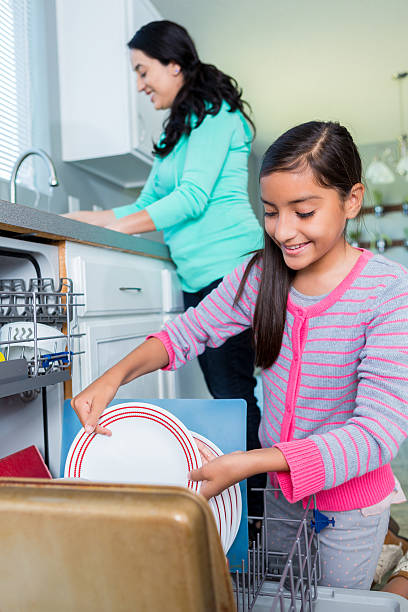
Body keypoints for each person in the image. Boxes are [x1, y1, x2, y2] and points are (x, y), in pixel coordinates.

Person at [71, 120, 408, 590]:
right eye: (270, 212)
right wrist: (113, 376)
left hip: (350, 507)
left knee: (336, 601)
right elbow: (186, 333)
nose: (283, 231)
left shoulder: (387, 291)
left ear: (351, 199)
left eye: (304, 212)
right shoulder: (260, 276)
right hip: (282, 498)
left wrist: (252, 461)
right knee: (280, 594)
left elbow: (377, 434)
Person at [64, 20, 265, 516]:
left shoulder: (217, 115)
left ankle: (259, 515)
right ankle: (256, 510)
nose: (139, 84)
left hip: (232, 270)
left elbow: (193, 198)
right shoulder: (178, 132)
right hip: (199, 276)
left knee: (234, 394)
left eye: (143, 70)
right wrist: (75, 220)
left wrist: (121, 226)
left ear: (174, 64)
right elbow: (144, 202)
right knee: (232, 393)